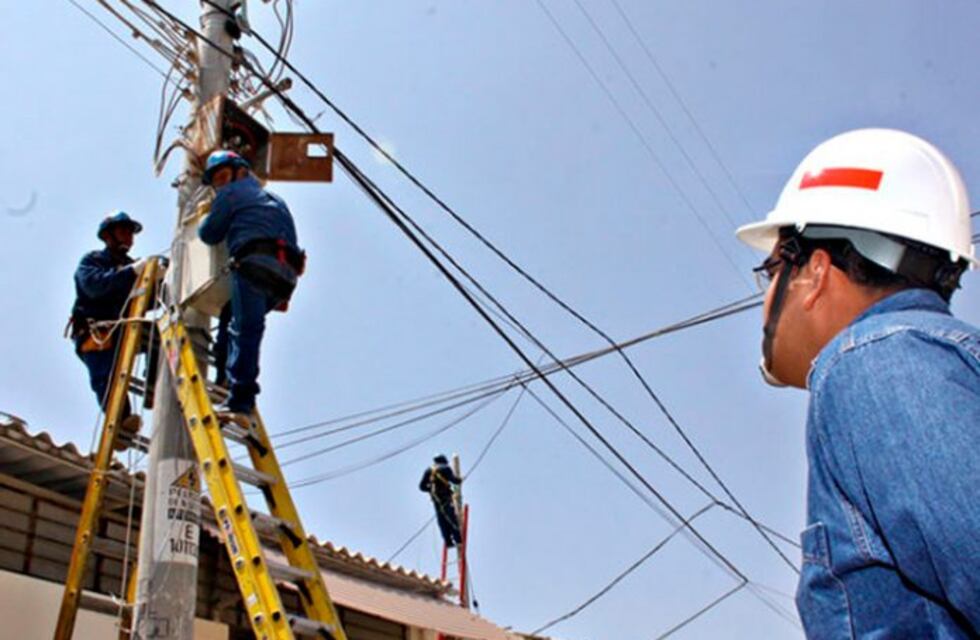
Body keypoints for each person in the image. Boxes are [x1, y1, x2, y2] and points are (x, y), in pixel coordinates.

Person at [736, 128, 980, 637]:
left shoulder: (875, 362)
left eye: (770, 269)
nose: (765, 298)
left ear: (816, 272)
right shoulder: (920, 359)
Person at [198, 150, 305, 419]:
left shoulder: (230, 194)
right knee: (231, 316)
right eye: (217, 181)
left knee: (244, 330)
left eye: (223, 176)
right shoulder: (274, 199)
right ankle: (224, 377)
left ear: (240, 171)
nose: (221, 184)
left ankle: (240, 402)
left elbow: (209, 234)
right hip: (285, 278)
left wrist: (205, 213)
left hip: (256, 266)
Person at [70, 211, 149, 449]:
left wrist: (160, 280)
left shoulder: (131, 266)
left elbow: (149, 301)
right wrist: (131, 273)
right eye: (123, 231)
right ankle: (121, 424)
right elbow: (96, 287)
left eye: (130, 232)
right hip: (96, 332)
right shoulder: (92, 261)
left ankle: (153, 390)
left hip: (124, 330)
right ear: (108, 236)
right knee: (107, 379)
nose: (128, 237)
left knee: (157, 336)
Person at [419, 454, 463, 548]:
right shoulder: (446, 468)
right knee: (451, 518)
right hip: (445, 497)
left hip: (436, 499)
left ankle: (448, 542)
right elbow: (454, 480)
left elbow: (422, 487)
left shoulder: (429, 470)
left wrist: (430, 489)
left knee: (442, 520)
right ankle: (458, 539)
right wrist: (460, 480)